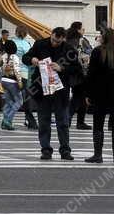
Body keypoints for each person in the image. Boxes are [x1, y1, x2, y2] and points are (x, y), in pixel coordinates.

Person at [27, 26, 80, 161]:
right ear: (51, 35)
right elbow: (26, 57)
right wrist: (32, 60)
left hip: (60, 91)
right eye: (53, 40)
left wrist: (62, 67)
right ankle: (46, 149)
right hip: (42, 89)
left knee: (62, 121)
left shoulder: (69, 49)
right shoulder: (40, 44)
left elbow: (77, 69)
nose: (54, 43)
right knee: (43, 121)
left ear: (63, 39)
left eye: (58, 41)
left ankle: (65, 150)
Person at [85, 28, 114, 164]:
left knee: (98, 124)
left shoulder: (98, 52)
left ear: (105, 38)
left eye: (101, 35)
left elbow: (91, 75)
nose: (99, 37)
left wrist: (88, 93)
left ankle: (98, 155)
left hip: (100, 93)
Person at [67, 23, 92, 130]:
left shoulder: (67, 40)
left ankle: (78, 121)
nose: (84, 30)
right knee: (80, 97)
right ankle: (73, 119)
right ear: (78, 30)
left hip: (72, 73)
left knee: (79, 97)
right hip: (82, 72)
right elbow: (89, 53)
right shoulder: (81, 41)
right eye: (82, 28)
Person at [13, 26, 38, 130]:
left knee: (11, 98)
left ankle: (7, 120)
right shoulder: (26, 44)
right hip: (24, 73)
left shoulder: (12, 42)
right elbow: (29, 59)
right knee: (27, 98)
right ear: (26, 34)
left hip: (12, 73)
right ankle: (30, 120)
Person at [0, 39, 23, 130]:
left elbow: (0, 69)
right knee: (19, 101)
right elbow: (17, 70)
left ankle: (4, 120)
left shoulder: (3, 56)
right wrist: (20, 81)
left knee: (9, 102)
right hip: (12, 81)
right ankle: (8, 120)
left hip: (4, 80)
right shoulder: (15, 57)